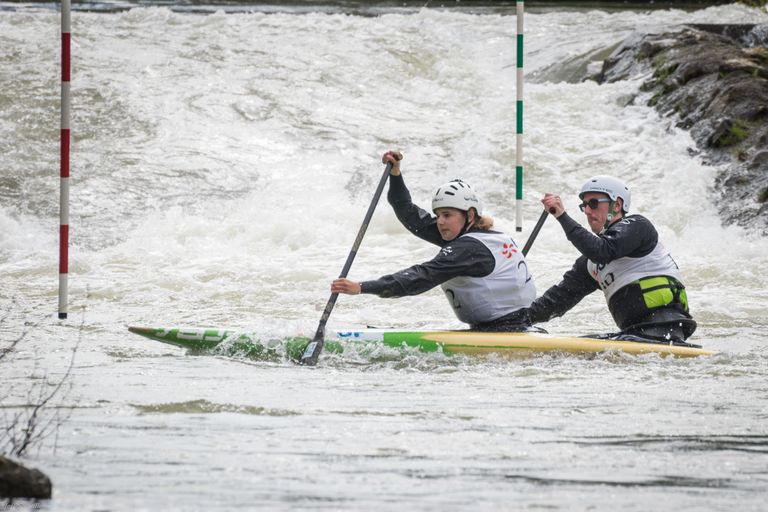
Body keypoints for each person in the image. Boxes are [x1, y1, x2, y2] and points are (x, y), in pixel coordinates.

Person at [331, 151, 537, 332]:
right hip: (513, 323)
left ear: (470, 215)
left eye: (447, 215)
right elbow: (409, 213)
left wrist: (361, 287)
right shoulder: (479, 237)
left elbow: (420, 277)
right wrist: (395, 175)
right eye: (437, 215)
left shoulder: (468, 249)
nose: (439, 222)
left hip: (506, 329)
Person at [522, 175, 697, 344]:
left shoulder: (638, 227)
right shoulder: (589, 265)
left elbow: (603, 250)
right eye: (584, 206)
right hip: (633, 335)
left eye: (594, 203)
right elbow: (555, 302)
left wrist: (561, 215)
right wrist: (515, 319)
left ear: (617, 205)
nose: (588, 211)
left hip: (666, 330)